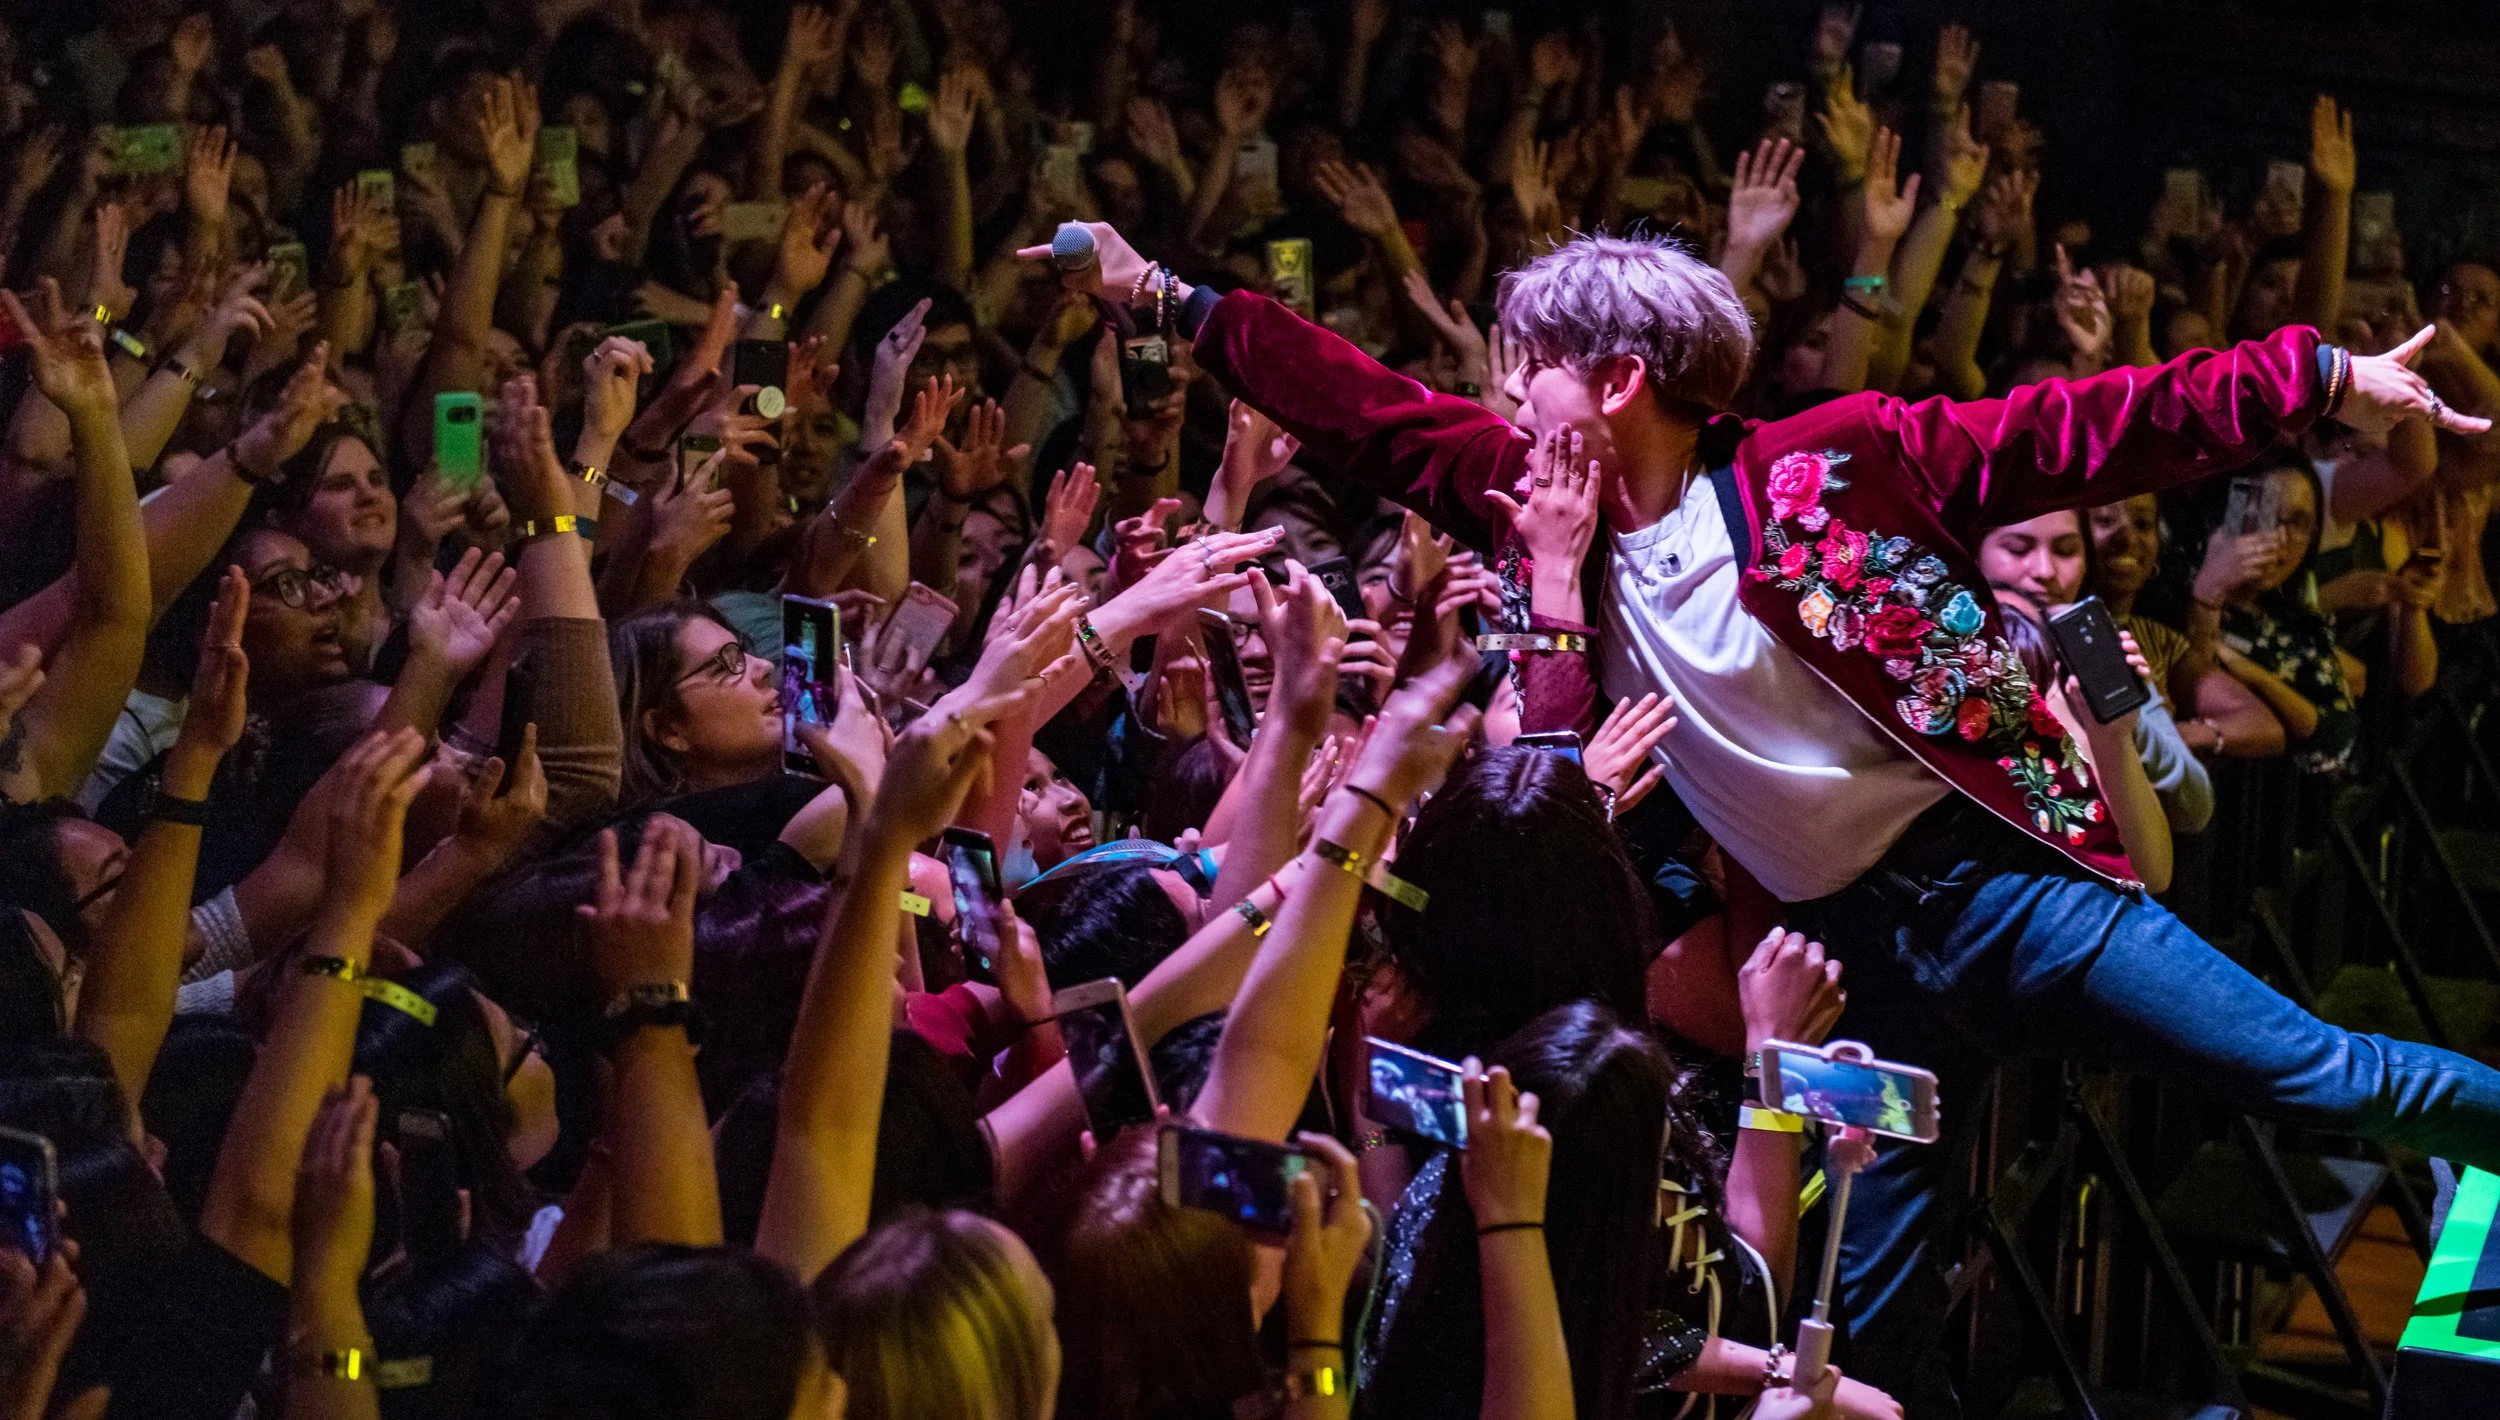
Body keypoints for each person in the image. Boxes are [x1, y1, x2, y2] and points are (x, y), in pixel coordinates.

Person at [1021, 218, 2500, 1414]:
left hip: (1996, 890)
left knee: (2312, 1075)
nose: (1501, 399)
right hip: (1841, 963)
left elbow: (2080, 427)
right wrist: (1166, 298)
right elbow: (1368, 415)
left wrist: (2315, 378)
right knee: (1853, 1327)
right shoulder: (1546, 507)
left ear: (1614, 374)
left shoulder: (1828, 462)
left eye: (1527, 366)